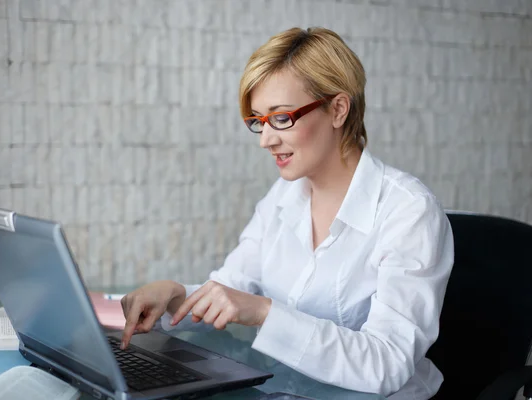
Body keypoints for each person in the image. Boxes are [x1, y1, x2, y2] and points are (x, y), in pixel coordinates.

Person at [119, 27, 454, 400]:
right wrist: (175, 295)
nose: (266, 139)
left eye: (281, 118)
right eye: (259, 121)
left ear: (338, 109)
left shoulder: (408, 211)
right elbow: (233, 288)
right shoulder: (284, 194)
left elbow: (387, 363)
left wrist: (265, 312)